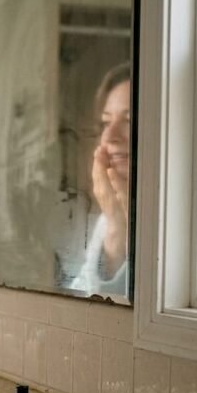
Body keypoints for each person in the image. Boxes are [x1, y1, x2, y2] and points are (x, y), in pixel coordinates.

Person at [72, 62, 131, 295]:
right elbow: (82, 304)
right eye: (107, 122)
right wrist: (116, 224)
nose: (110, 137)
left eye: (129, 120)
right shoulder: (105, 222)